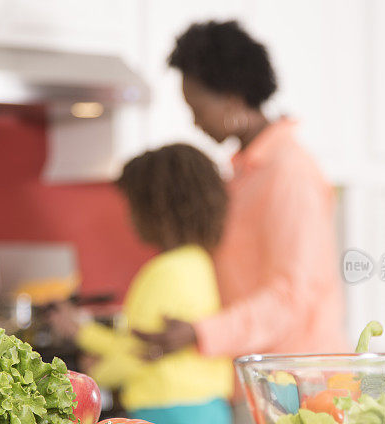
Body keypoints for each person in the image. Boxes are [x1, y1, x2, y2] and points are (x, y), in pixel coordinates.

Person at [137, 20, 347, 363]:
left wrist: (200, 332)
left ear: (233, 100)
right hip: (264, 372)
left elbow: (292, 296)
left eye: (198, 109)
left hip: (300, 381)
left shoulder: (289, 173)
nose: (195, 123)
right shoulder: (244, 173)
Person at [48, 144, 234, 424]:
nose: (129, 216)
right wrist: (82, 332)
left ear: (156, 208)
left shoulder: (165, 271)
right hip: (202, 406)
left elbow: (139, 355)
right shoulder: (195, 262)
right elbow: (140, 344)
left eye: (133, 204)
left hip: (170, 410)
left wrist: (94, 375)